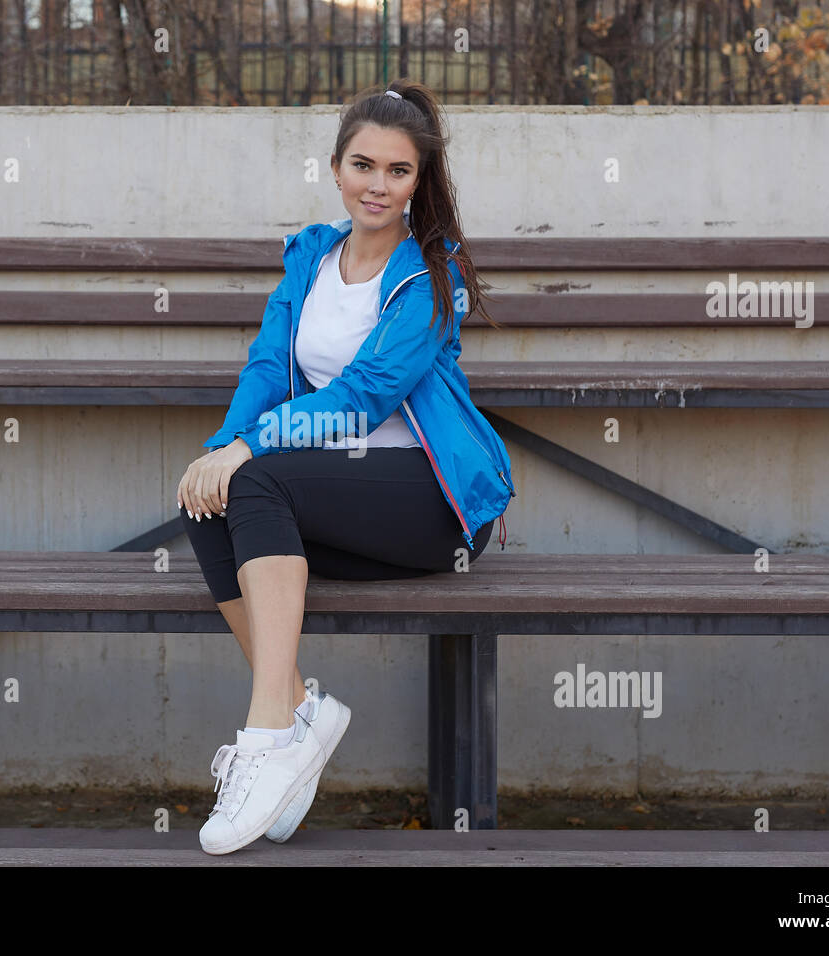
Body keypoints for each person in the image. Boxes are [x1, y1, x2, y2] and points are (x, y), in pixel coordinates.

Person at [176, 79, 517, 855]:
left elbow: (365, 397)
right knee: (209, 499)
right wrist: (224, 446)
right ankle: (301, 711)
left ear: (418, 183)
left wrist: (250, 452)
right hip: (338, 494)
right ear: (335, 168)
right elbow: (268, 366)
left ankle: (268, 738)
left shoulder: (432, 277)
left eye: (398, 171)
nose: (378, 185)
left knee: (255, 476)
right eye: (364, 165)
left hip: (432, 505)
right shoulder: (309, 259)